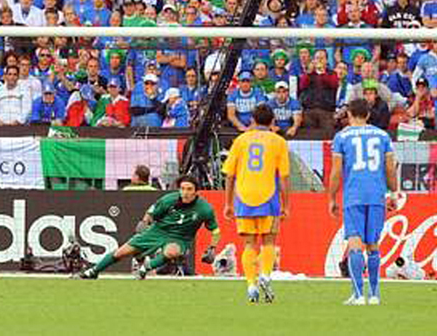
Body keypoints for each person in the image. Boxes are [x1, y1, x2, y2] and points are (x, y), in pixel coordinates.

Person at [78, 175, 220, 279]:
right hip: (158, 230)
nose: (185, 192)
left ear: (196, 191)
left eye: (189, 189)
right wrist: (144, 222)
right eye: (182, 189)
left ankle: (146, 267)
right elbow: (152, 212)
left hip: (180, 237)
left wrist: (212, 248)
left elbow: (215, 230)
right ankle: (93, 271)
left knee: (172, 252)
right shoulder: (169, 199)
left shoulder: (205, 209)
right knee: (121, 252)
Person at [328, 98, 398, 305]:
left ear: (349, 114)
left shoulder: (341, 137)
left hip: (354, 195)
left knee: (355, 244)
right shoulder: (382, 135)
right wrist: (393, 193)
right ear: (368, 115)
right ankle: (375, 294)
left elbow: (336, 171)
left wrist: (331, 197)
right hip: (376, 194)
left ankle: (358, 295)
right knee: (373, 245)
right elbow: (390, 168)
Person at [222, 104, 291, 304]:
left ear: (252, 120)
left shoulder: (241, 140)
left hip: (243, 198)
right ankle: (266, 275)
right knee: (269, 242)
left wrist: (228, 203)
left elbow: (229, 174)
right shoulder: (278, 142)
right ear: (272, 122)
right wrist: (286, 205)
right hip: (268, 197)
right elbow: (284, 177)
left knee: (249, 244)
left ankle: (251, 285)